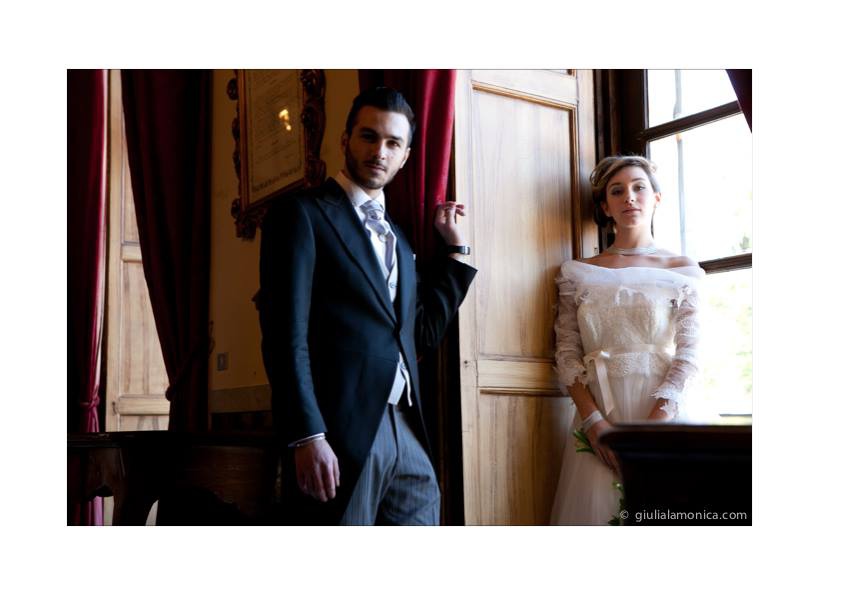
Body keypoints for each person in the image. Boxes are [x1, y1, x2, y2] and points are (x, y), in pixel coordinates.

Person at [258, 87, 477, 525]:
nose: (380, 152)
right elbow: (285, 333)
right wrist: (307, 433)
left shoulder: (400, 236)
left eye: (393, 143)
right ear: (346, 140)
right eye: (368, 136)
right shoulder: (301, 214)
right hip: (340, 430)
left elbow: (418, 335)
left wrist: (455, 254)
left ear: (406, 156)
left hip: (407, 426)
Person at [550, 155, 704, 525]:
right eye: (617, 191)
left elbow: (689, 355)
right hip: (600, 416)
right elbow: (567, 353)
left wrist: (651, 429)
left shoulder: (682, 269)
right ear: (606, 207)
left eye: (639, 187)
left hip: (662, 415)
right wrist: (594, 424)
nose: (629, 197)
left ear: (656, 198)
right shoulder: (577, 273)